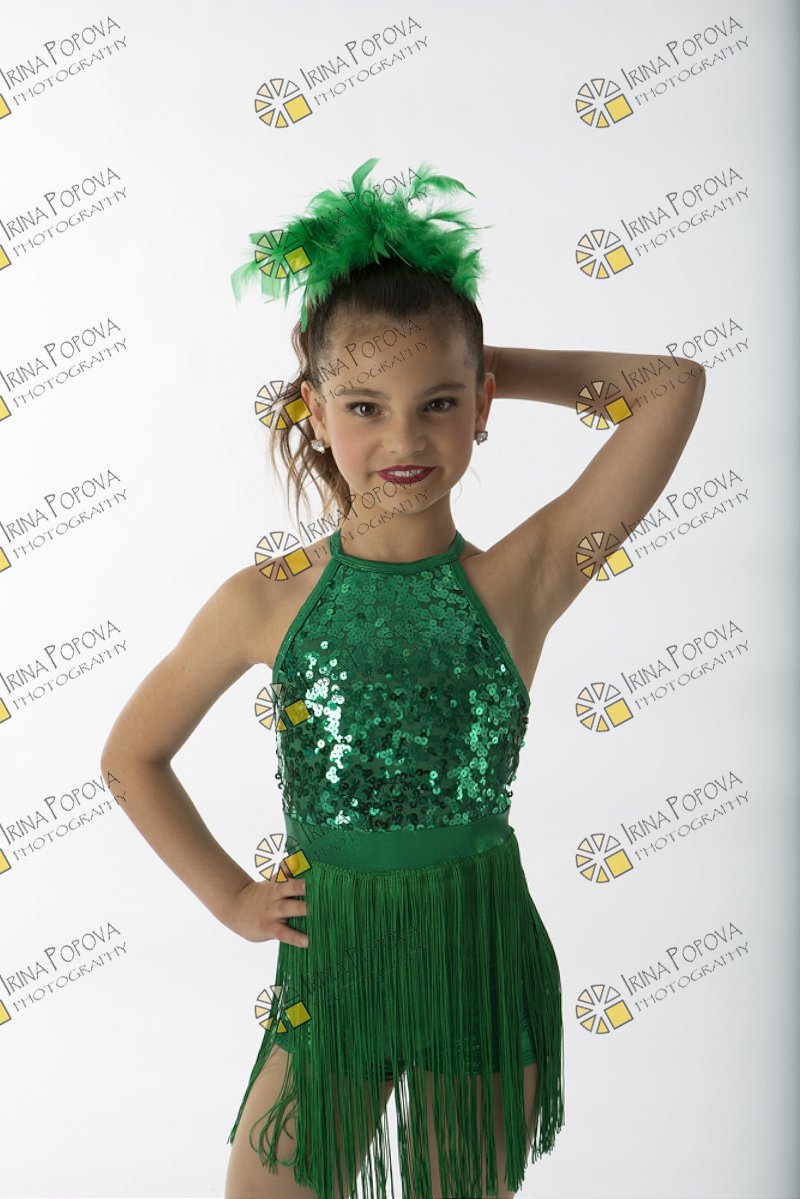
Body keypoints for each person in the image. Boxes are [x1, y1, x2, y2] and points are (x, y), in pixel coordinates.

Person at [100, 157, 706, 1199]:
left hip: (477, 960)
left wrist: (481, 359)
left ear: (479, 405)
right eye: (364, 404)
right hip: (329, 965)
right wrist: (233, 896)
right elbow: (132, 756)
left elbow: (670, 389)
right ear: (314, 411)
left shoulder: (519, 580)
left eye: (437, 403)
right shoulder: (267, 599)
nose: (404, 437)